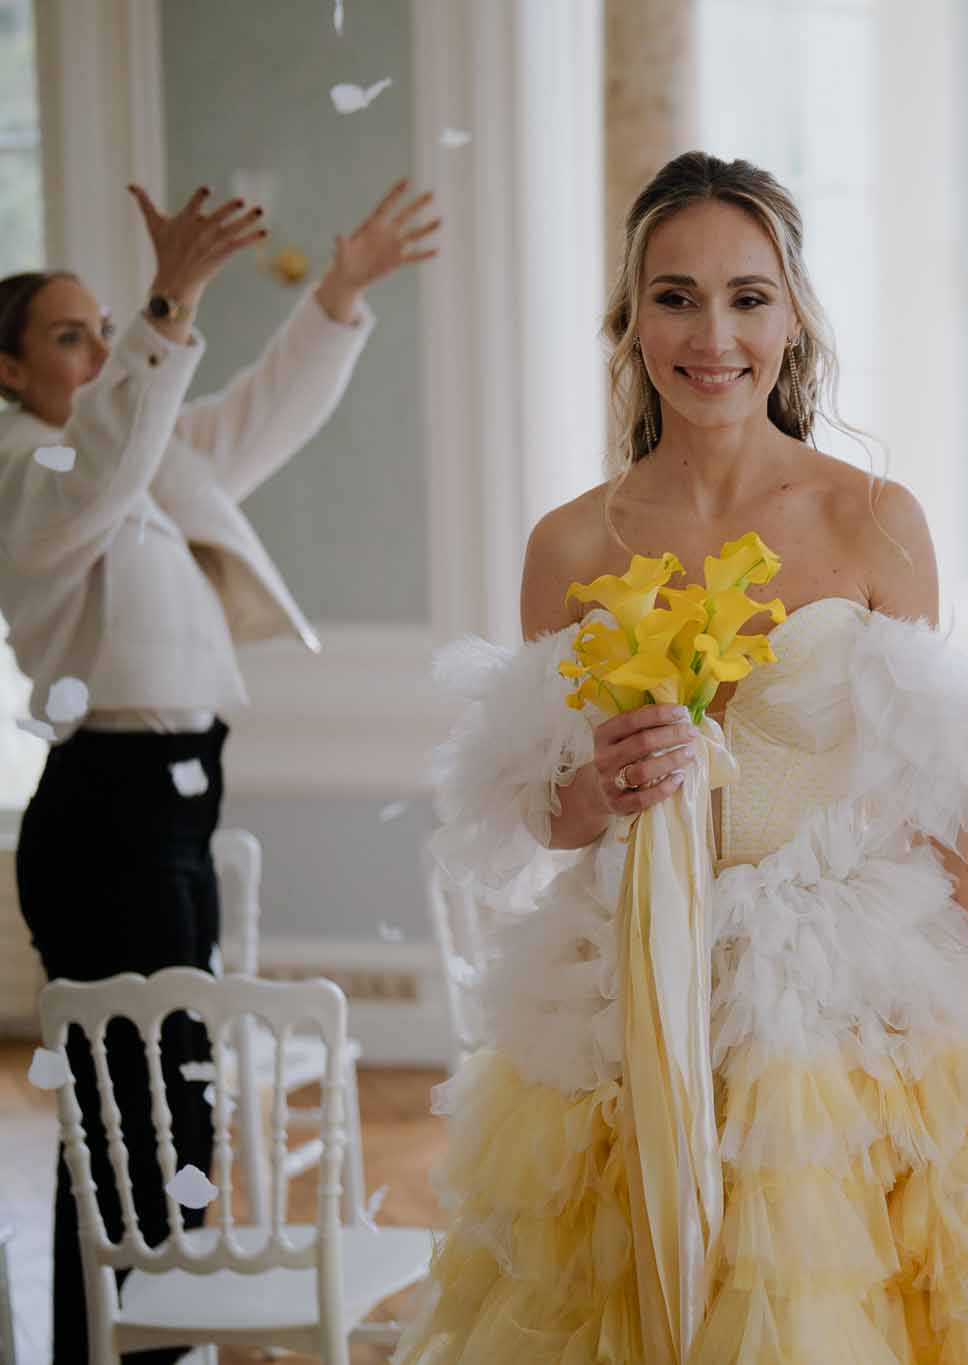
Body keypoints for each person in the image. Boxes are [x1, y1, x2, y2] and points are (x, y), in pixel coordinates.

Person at [398, 151, 968, 1364]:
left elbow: (942, 792)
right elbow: (543, 810)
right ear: (630, 320)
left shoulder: (870, 519)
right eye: (676, 295)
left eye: (748, 297)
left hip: (842, 996)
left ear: (793, 319)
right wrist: (597, 787)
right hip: (631, 991)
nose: (713, 334)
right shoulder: (569, 544)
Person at [0, 178, 435, 1363]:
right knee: (127, 1117)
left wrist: (337, 298)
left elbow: (253, 420)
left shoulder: (134, 459)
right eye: (70, 334)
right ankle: (137, 1346)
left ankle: (148, 1345)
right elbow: (101, 462)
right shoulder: (29, 475)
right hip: (107, 814)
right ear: (8, 371)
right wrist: (170, 299)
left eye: (106, 328)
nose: (99, 347)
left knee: (162, 1105)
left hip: (180, 804)